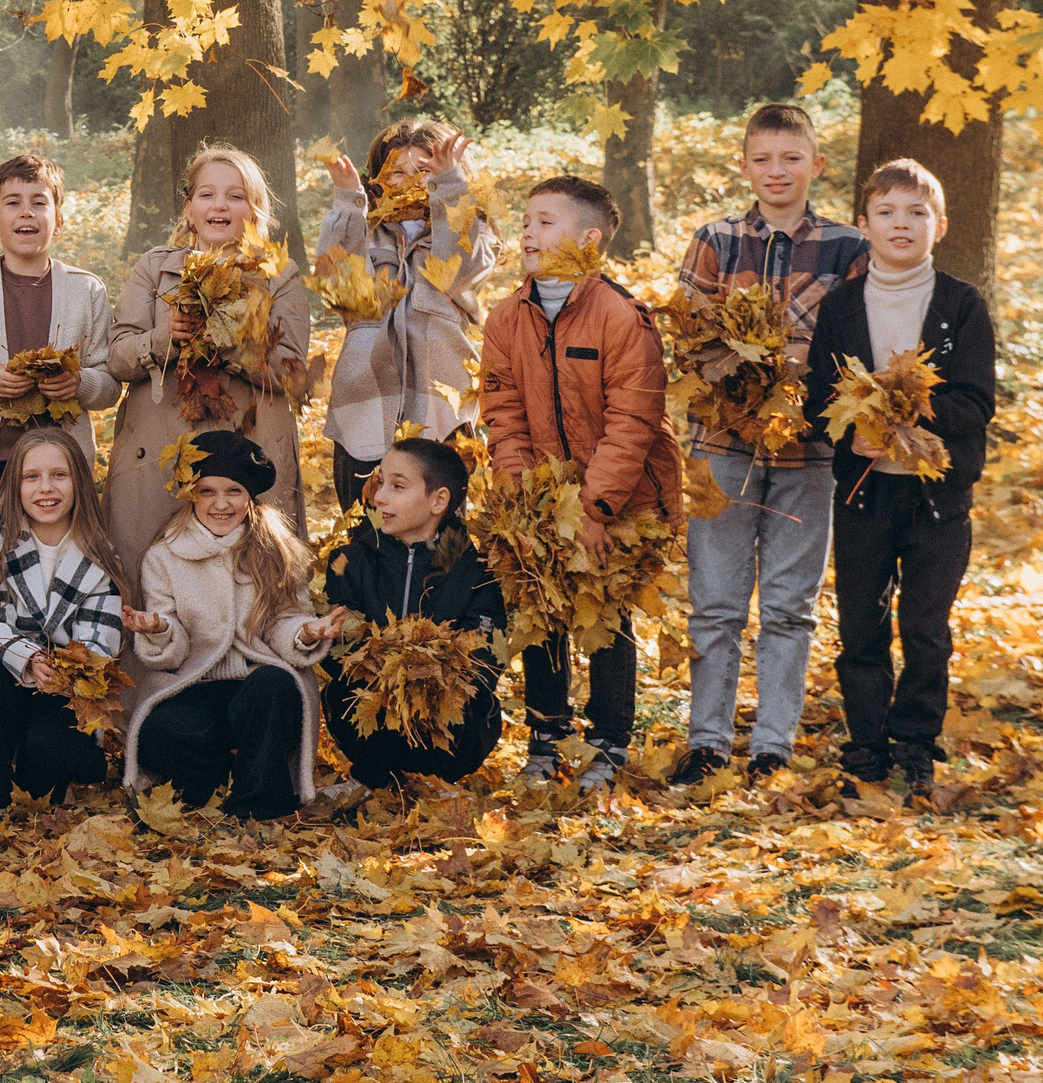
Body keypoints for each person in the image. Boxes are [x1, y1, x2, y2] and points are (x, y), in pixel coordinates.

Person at [672, 103, 869, 787]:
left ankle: (773, 743)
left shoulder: (848, 247)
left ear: (816, 163)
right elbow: (688, 337)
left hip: (809, 452)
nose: (777, 171)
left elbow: (859, 346)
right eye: (763, 159)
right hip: (723, 445)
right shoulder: (716, 240)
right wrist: (736, 381)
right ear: (744, 165)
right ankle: (707, 740)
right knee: (717, 601)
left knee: (791, 604)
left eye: (791, 158)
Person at [479, 174, 681, 792]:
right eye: (527, 221)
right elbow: (503, 411)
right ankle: (546, 735)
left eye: (545, 222)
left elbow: (634, 420)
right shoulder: (507, 318)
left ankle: (609, 739)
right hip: (540, 497)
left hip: (619, 502)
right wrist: (526, 499)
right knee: (543, 609)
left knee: (605, 615)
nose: (528, 232)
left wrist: (595, 507)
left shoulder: (621, 317)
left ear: (588, 240)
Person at [803, 159, 995, 798]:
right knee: (860, 622)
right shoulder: (841, 307)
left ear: (939, 225)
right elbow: (816, 403)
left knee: (923, 625)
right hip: (865, 493)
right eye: (886, 212)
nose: (901, 224)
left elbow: (976, 403)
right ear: (864, 226)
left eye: (916, 212)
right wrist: (850, 427)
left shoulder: (961, 305)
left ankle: (915, 742)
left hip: (937, 496)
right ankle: (865, 743)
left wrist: (910, 405)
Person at [107, 144, 310, 575]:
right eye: (207, 194)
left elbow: (293, 375)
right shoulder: (153, 269)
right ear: (189, 208)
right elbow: (117, 357)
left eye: (236, 196)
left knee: (254, 574)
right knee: (144, 570)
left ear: (255, 210)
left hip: (248, 446)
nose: (220, 205)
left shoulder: (281, 276)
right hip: (158, 450)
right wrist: (166, 340)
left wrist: (234, 345)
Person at [120, 432, 342, 820]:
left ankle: (259, 804)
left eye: (234, 492)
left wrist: (305, 632)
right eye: (207, 492)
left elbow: (284, 619)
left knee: (273, 687)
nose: (221, 504)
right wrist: (158, 630)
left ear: (250, 496)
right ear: (192, 494)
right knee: (160, 728)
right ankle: (213, 779)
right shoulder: (164, 556)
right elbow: (172, 647)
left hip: (257, 682)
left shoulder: (275, 551)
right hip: (196, 683)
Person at [0, 152, 120, 569]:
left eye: (39, 202)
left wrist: (79, 384)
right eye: (12, 202)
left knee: (64, 569)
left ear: (59, 219)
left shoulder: (87, 290)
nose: (26, 212)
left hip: (62, 471)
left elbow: (109, 384)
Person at [316, 121, 499, 509]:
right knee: (365, 539)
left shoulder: (466, 232)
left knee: (441, 540)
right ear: (379, 181)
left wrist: (450, 186)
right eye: (397, 171)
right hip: (364, 413)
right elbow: (337, 284)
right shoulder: (364, 234)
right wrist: (348, 200)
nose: (410, 181)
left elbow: (459, 267)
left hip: (440, 416)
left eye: (424, 171)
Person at [0, 425, 129, 811]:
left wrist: (64, 671)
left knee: (52, 752)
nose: (45, 488)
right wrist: (28, 657)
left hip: (66, 690)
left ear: (79, 482)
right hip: (6, 679)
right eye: (32, 477)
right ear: (16, 487)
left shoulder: (100, 555)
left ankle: (50, 774)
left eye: (58, 476)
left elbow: (100, 641)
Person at [320, 437, 507, 788]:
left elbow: (486, 657)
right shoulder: (352, 561)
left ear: (438, 500)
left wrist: (426, 671)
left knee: (467, 698)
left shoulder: (476, 571)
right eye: (380, 482)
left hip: (448, 726)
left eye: (397, 486)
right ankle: (371, 775)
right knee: (346, 689)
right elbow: (336, 650)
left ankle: (441, 780)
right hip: (372, 717)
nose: (379, 496)